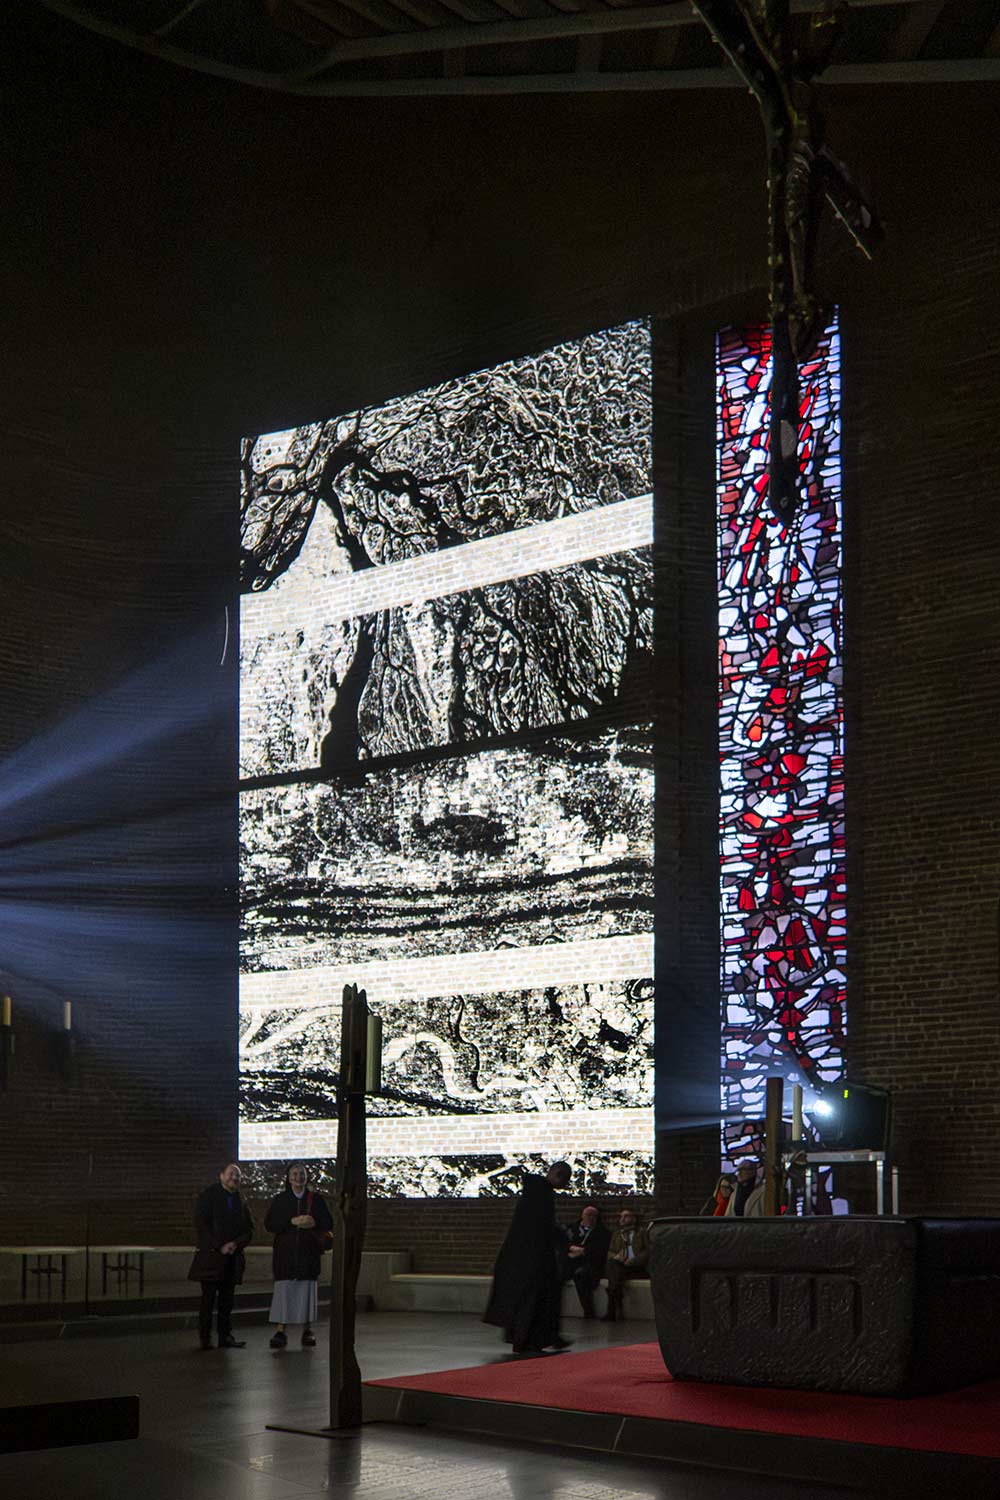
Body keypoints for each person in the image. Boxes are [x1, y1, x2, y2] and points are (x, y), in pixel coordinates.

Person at [483, 1160, 572, 1355]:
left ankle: (529, 1339)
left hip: (525, 1258)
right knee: (534, 1301)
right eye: (564, 1180)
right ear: (557, 1174)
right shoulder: (541, 1195)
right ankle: (530, 1340)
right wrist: (563, 1240)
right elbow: (543, 1226)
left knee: (531, 1300)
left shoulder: (536, 1192)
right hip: (531, 1259)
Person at [264, 1162, 334, 1348]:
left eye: (301, 1174)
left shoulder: (316, 1200)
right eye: (294, 1174)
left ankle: (307, 1330)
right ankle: (281, 1330)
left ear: (307, 1177)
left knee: (307, 1292)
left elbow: (328, 1222)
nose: (298, 1177)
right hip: (285, 1255)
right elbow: (270, 1224)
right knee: (284, 1291)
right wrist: (291, 1221)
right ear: (288, 1177)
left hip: (308, 1254)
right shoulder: (280, 1199)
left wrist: (313, 1222)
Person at [188, 1161, 254, 1350]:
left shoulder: (241, 1200)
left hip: (232, 1259)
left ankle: (225, 1336)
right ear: (221, 1176)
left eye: (238, 1176)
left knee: (227, 1301)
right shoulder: (208, 1196)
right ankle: (205, 1338)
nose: (235, 1178)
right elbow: (202, 1225)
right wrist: (220, 1246)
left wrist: (236, 1244)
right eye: (231, 1174)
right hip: (211, 1258)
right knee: (208, 1300)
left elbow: (250, 1229)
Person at [559, 1203, 610, 1319]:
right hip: (570, 1261)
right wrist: (571, 1248)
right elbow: (562, 1244)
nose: (590, 1218)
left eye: (594, 1216)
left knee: (581, 1277)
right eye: (588, 1215)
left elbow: (600, 1251)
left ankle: (588, 1311)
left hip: (589, 1264)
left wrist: (583, 1252)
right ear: (582, 1215)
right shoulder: (571, 1229)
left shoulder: (602, 1232)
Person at [603, 1208, 649, 1321]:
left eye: (626, 1216)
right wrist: (616, 1257)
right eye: (621, 1217)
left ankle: (612, 1310)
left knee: (613, 1280)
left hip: (637, 1266)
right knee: (613, 1265)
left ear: (633, 1218)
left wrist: (634, 1260)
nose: (622, 1219)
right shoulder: (617, 1234)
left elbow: (648, 1251)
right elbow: (610, 1252)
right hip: (621, 1266)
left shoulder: (642, 1232)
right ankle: (614, 1307)